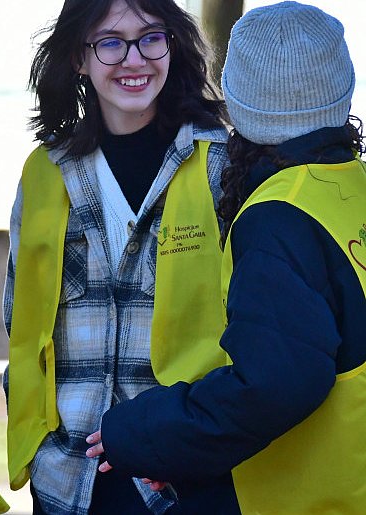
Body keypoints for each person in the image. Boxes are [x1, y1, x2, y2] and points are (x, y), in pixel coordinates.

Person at [87, 2, 366, 513]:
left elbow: (274, 383)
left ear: (235, 103)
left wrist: (143, 432)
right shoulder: (351, 191)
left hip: (303, 496)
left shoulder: (278, 216)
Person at [3, 0, 229, 512]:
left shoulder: (219, 164)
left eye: (151, 37)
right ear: (79, 59)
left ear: (172, 44)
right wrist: (42, 451)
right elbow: (21, 322)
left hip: (186, 477)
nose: (135, 59)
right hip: (69, 480)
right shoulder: (45, 172)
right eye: (110, 43)